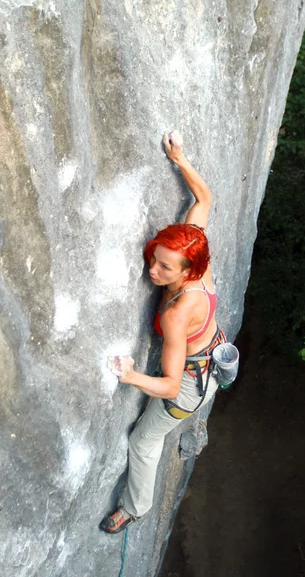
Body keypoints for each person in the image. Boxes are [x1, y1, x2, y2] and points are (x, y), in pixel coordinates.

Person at [100, 130, 226, 534]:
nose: (152, 270)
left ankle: (135, 508)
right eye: (154, 258)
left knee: (143, 441)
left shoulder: (178, 313)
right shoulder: (197, 252)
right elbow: (204, 200)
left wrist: (131, 375)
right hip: (210, 358)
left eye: (164, 268)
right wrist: (180, 158)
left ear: (188, 270)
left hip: (188, 386)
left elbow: (171, 388)